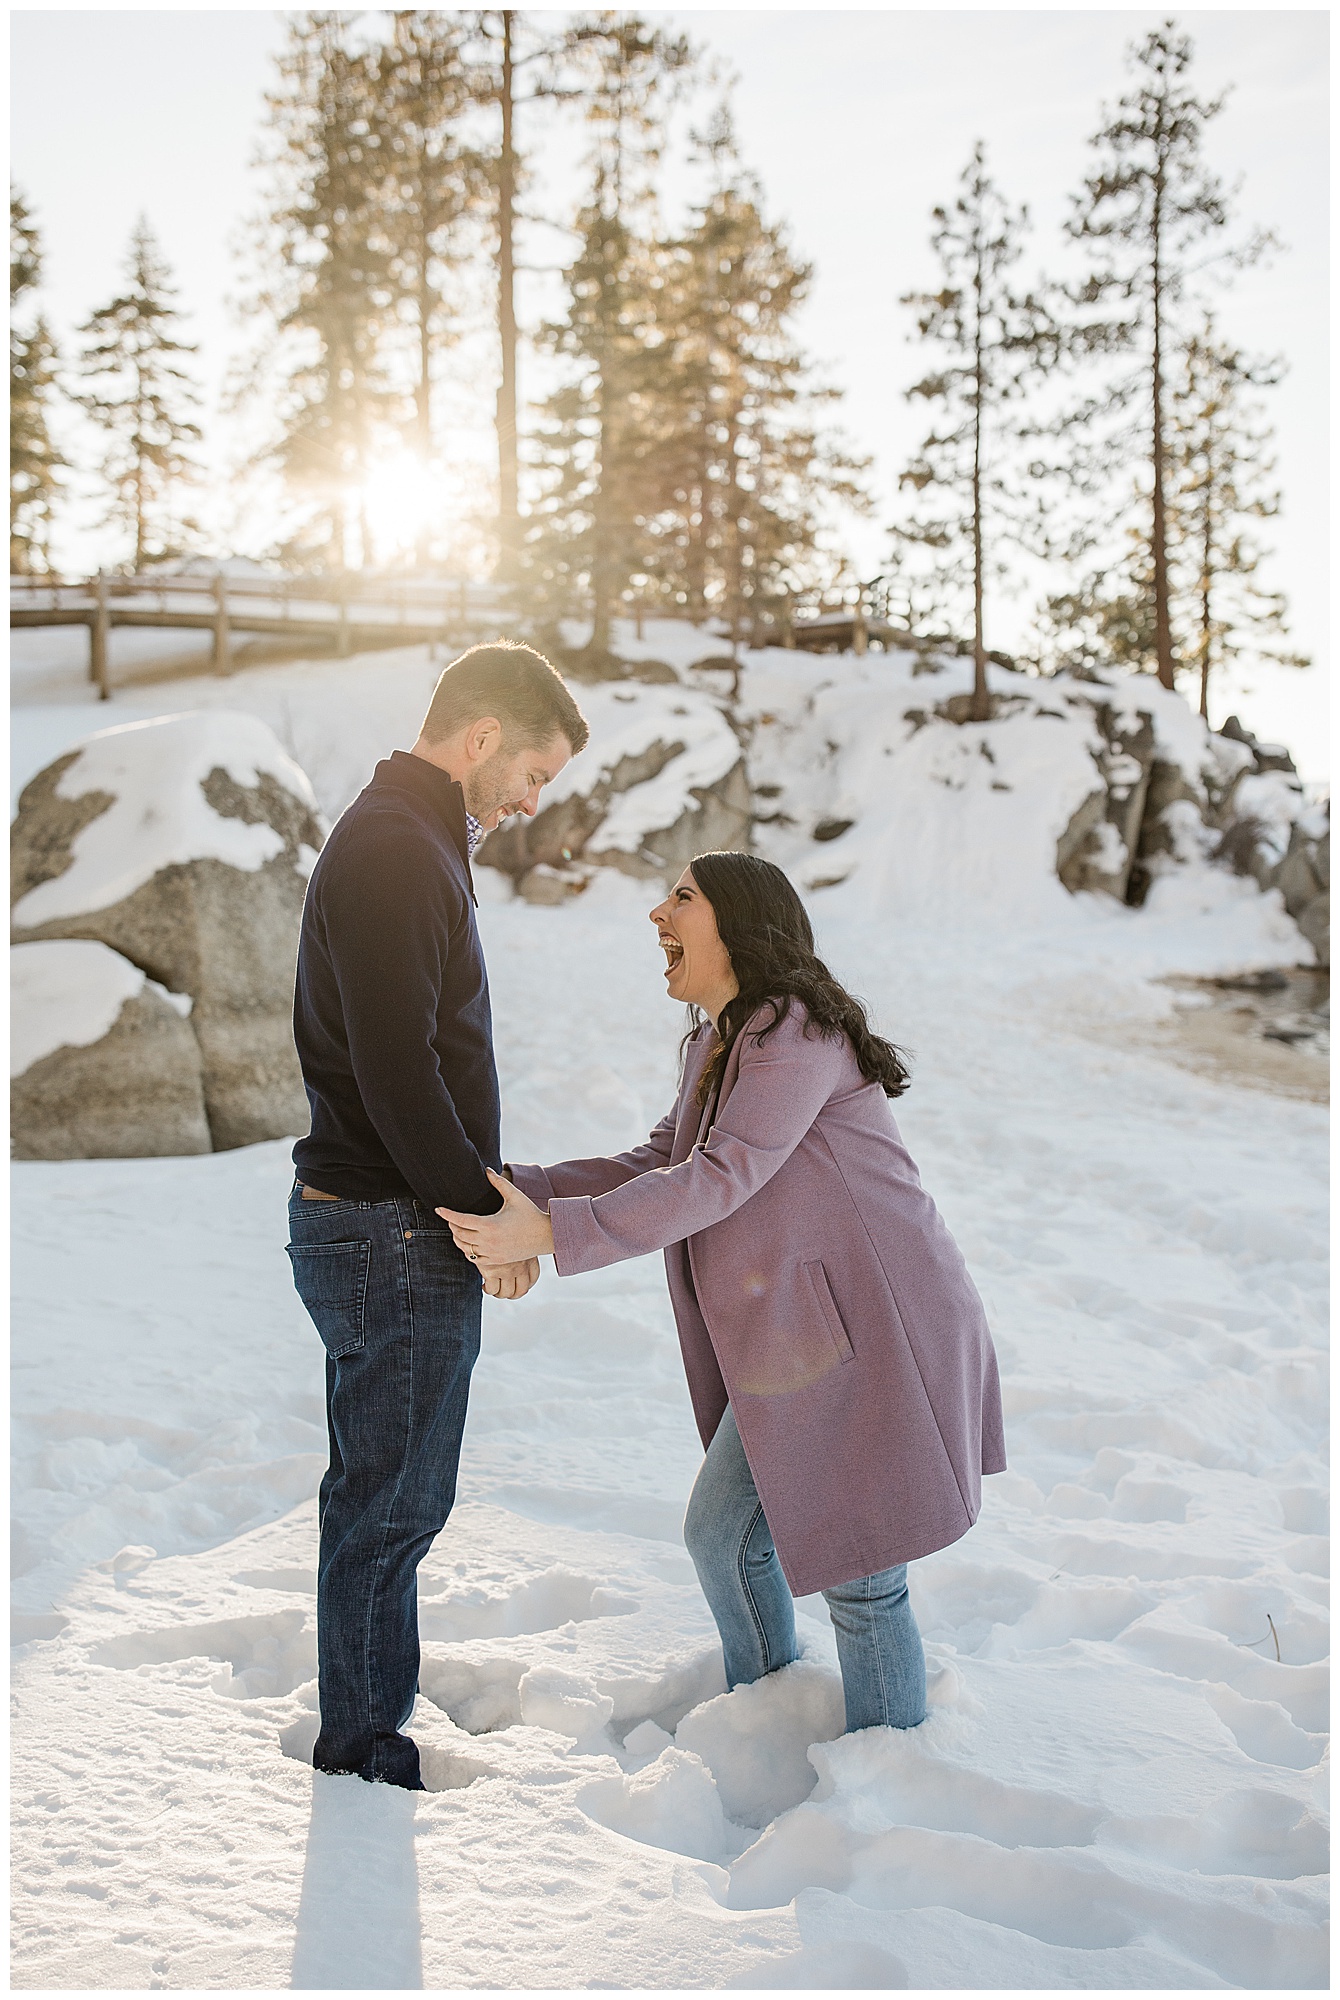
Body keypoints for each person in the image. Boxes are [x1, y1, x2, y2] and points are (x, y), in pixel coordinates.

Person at [442, 850, 1006, 1735]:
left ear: (739, 922)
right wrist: (522, 1192)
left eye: (682, 897)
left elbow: (721, 1174)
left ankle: (891, 1785)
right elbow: (659, 1162)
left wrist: (550, 1235)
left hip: (879, 1329)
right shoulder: (725, 1038)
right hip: (807, 1341)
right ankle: (766, 1719)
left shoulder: (797, 1033)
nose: (656, 913)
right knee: (724, 1535)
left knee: (863, 1578)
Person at [287, 640, 589, 1789]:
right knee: (388, 1505)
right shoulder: (395, 849)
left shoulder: (408, 839)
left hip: (389, 1221)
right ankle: (363, 1753)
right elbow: (395, 1071)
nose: (528, 799)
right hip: (389, 1228)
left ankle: (369, 1721)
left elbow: (417, 1054)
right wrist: (479, 1214)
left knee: (386, 1497)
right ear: (479, 739)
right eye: (533, 773)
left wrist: (474, 1198)